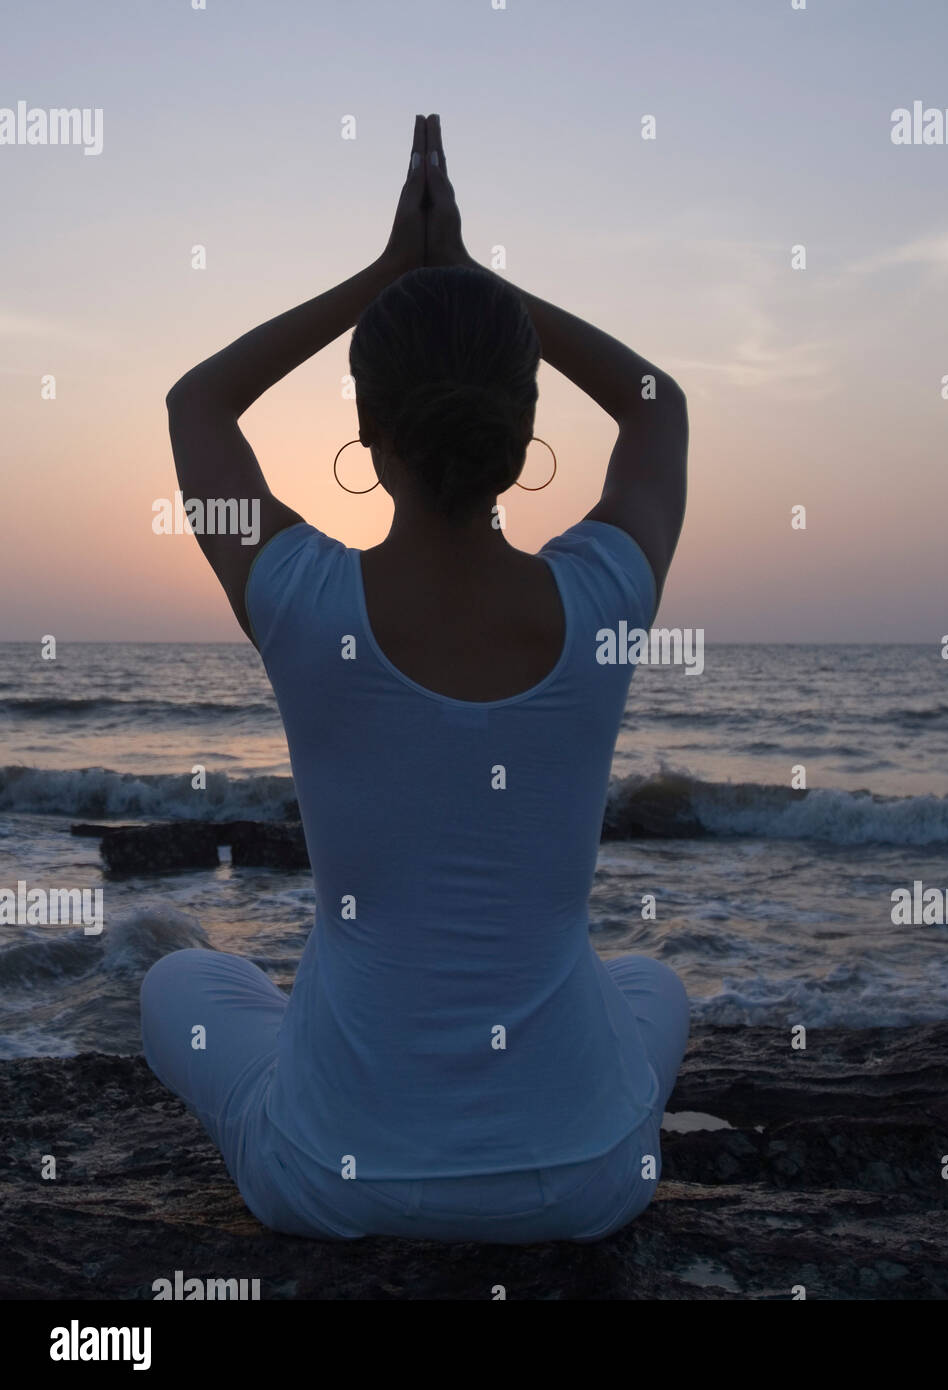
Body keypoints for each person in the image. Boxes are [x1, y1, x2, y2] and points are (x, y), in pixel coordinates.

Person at [141, 114, 690, 1242]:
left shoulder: (302, 600)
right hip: (588, 1176)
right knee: (651, 984)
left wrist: (384, 280)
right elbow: (654, 405)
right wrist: (475, 285)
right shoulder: (604, 597)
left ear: (363, 420)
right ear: (525, 421)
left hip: (336, 1174)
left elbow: (195, 403)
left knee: (178, 985)